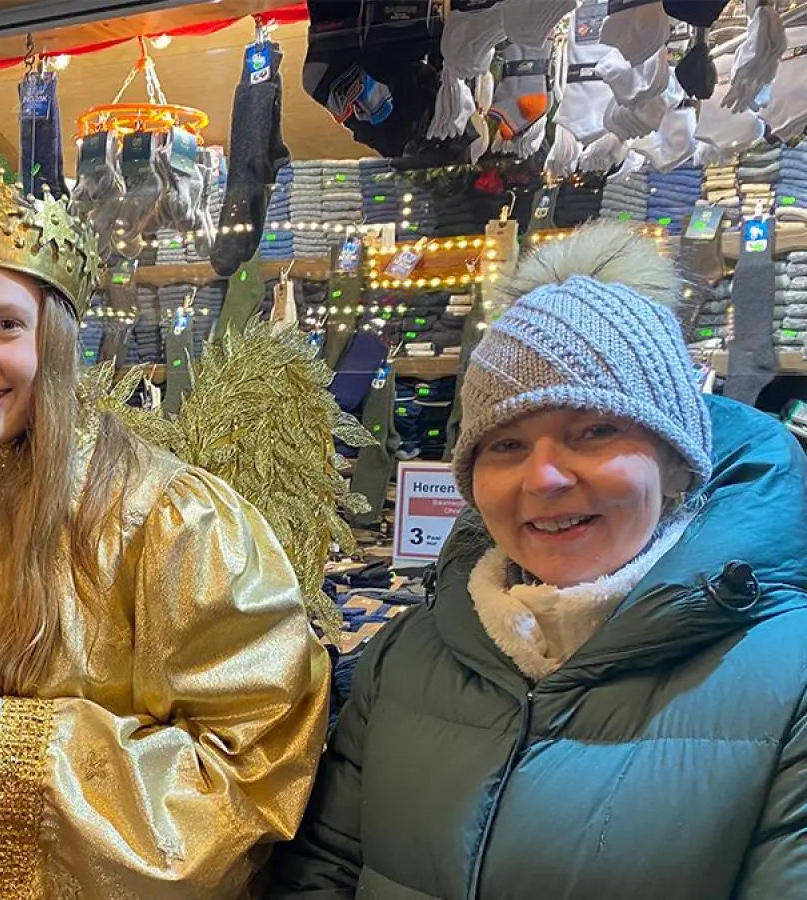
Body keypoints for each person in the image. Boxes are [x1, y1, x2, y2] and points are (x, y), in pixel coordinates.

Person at [0, 175, 330, 899]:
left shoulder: (174, 522)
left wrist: (3, 736)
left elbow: (247, 787)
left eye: (5, 325)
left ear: (56, 337)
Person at [266, 221, 807, 898]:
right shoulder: (408, 657)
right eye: (506, 445)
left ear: (676, 461)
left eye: (595, 429)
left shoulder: (790, 684)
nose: (544, 478)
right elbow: (325, 869)